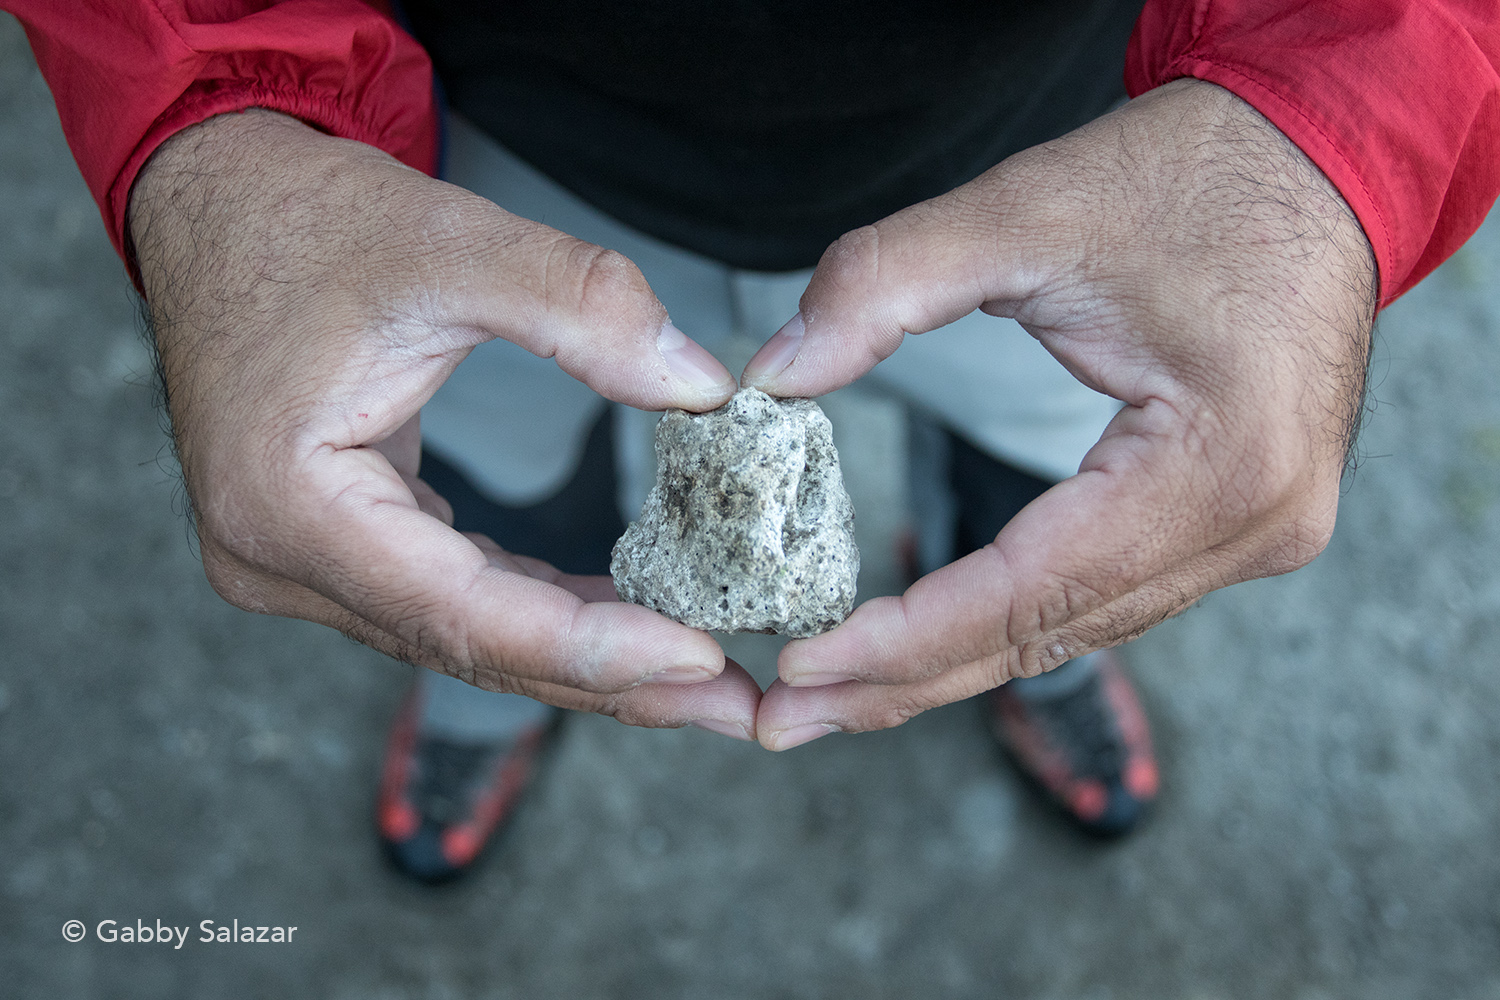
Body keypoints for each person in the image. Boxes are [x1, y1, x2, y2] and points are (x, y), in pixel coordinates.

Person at [6, 0, 1497, 882]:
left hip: (1073, 164)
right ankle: (491, 687)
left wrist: (1334, 121)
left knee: (1071, 490)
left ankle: (1050, 638)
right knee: (463, 486)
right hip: (463, 151)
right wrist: (217, 109)